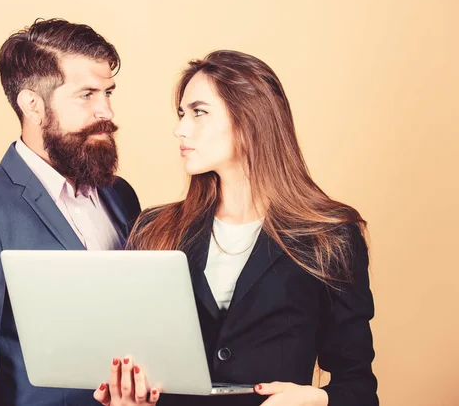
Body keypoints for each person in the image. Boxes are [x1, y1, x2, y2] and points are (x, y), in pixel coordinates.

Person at [94, 50, 378, 406]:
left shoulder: (329, 235)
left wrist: (314, 400)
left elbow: (359, 389)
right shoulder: (154, 228)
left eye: (199, 112)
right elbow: (131, 361)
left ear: (250, 119)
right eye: (182, 114)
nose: (180, 128)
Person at [0, 18, 140, 406]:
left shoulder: (120, 195)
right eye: (87, 94)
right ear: (33, 105)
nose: (106, 111)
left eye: (108, 92)